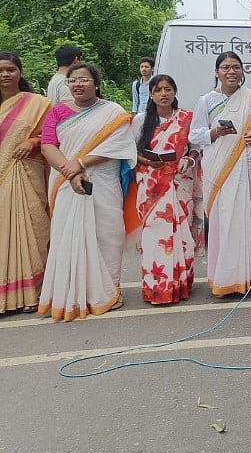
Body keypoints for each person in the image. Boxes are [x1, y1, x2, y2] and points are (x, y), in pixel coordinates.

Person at [38, 63, 136, 321]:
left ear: (96, 83)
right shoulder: (57, 112)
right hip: (65, 181)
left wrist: (80, 164)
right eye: (72, 81)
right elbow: (48, 144)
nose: (78, 84)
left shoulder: (112, 112)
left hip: (102, 179)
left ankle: (109, 291)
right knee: (66, 235)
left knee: (108, 234)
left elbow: (119, 144)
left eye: (84, 79)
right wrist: (70, 171)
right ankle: (71, 293)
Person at [188, 51, 251, 297]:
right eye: (225, 67)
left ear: (242, 71)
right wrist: (214, 133)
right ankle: (222, 278)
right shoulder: (206, 101)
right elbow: (194, 134)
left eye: (235, 67)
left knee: (247, 219)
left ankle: (247, 277)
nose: (231, 71)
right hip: (218, 167)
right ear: (216, 72)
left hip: (246, 165)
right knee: (223, 222)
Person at [132, 74, 199, 305]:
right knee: (154, 239)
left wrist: (189, 160)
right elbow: (132, 153)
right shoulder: (141, 120)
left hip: (180, 183)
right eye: (158, 90)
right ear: (150, 94)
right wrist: (149, 162)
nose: (163, 94)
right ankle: (157, 289)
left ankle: (181, 286)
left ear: (174, 92)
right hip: (152, 187)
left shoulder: (187, 118)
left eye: (168, 89)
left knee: (182, 237)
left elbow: (195, 148)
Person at [0, 52, 51, 314]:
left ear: (20, 72)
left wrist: (32, 141)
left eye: (10, 69)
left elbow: (53, 135)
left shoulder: (38, 104)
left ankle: (32, 292)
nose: (5, 75)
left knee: (31, 229)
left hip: (26, 174)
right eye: (0, 71)